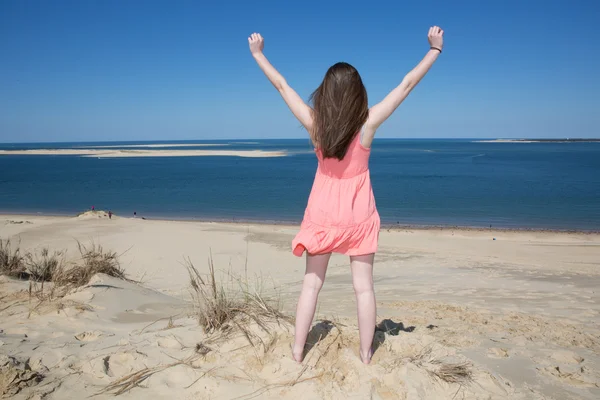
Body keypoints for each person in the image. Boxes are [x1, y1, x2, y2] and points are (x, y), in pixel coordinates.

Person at [249, 26, 444, 364]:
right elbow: (406, 85)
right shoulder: (367, 124)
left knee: (311, 284)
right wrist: (434, 50)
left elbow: (282, 86)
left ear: (325, 93)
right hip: (358, 215)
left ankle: (297, 352)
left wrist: (258, 54)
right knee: (363, 288)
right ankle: (366, 354)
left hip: (322, 214)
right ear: (358, 94)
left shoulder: (315, 125)